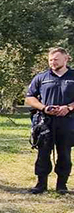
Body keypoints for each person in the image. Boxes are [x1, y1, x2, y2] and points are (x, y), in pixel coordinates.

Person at [25, 47, 74, 194]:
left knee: (64, 153)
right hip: (45, 121)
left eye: (56, 60)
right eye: (51, 60)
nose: (53, 62)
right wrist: (44, 108)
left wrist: (69, 107)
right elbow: (29, 98)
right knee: (43, 153)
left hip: (67, 121)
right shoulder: (41, 77)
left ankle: (62, 185)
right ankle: (41, 184)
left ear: (66, 59)